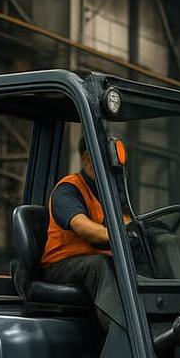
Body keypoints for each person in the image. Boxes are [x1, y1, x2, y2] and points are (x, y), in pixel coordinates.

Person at [40, 137, 127, 331]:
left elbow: (128, 223)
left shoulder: (109, 195)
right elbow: (82, 227)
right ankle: (120, 334)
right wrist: (123, 237)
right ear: (87, 159)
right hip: (61, 265)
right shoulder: (68, 189)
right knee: (101, 265)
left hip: (93, 263)